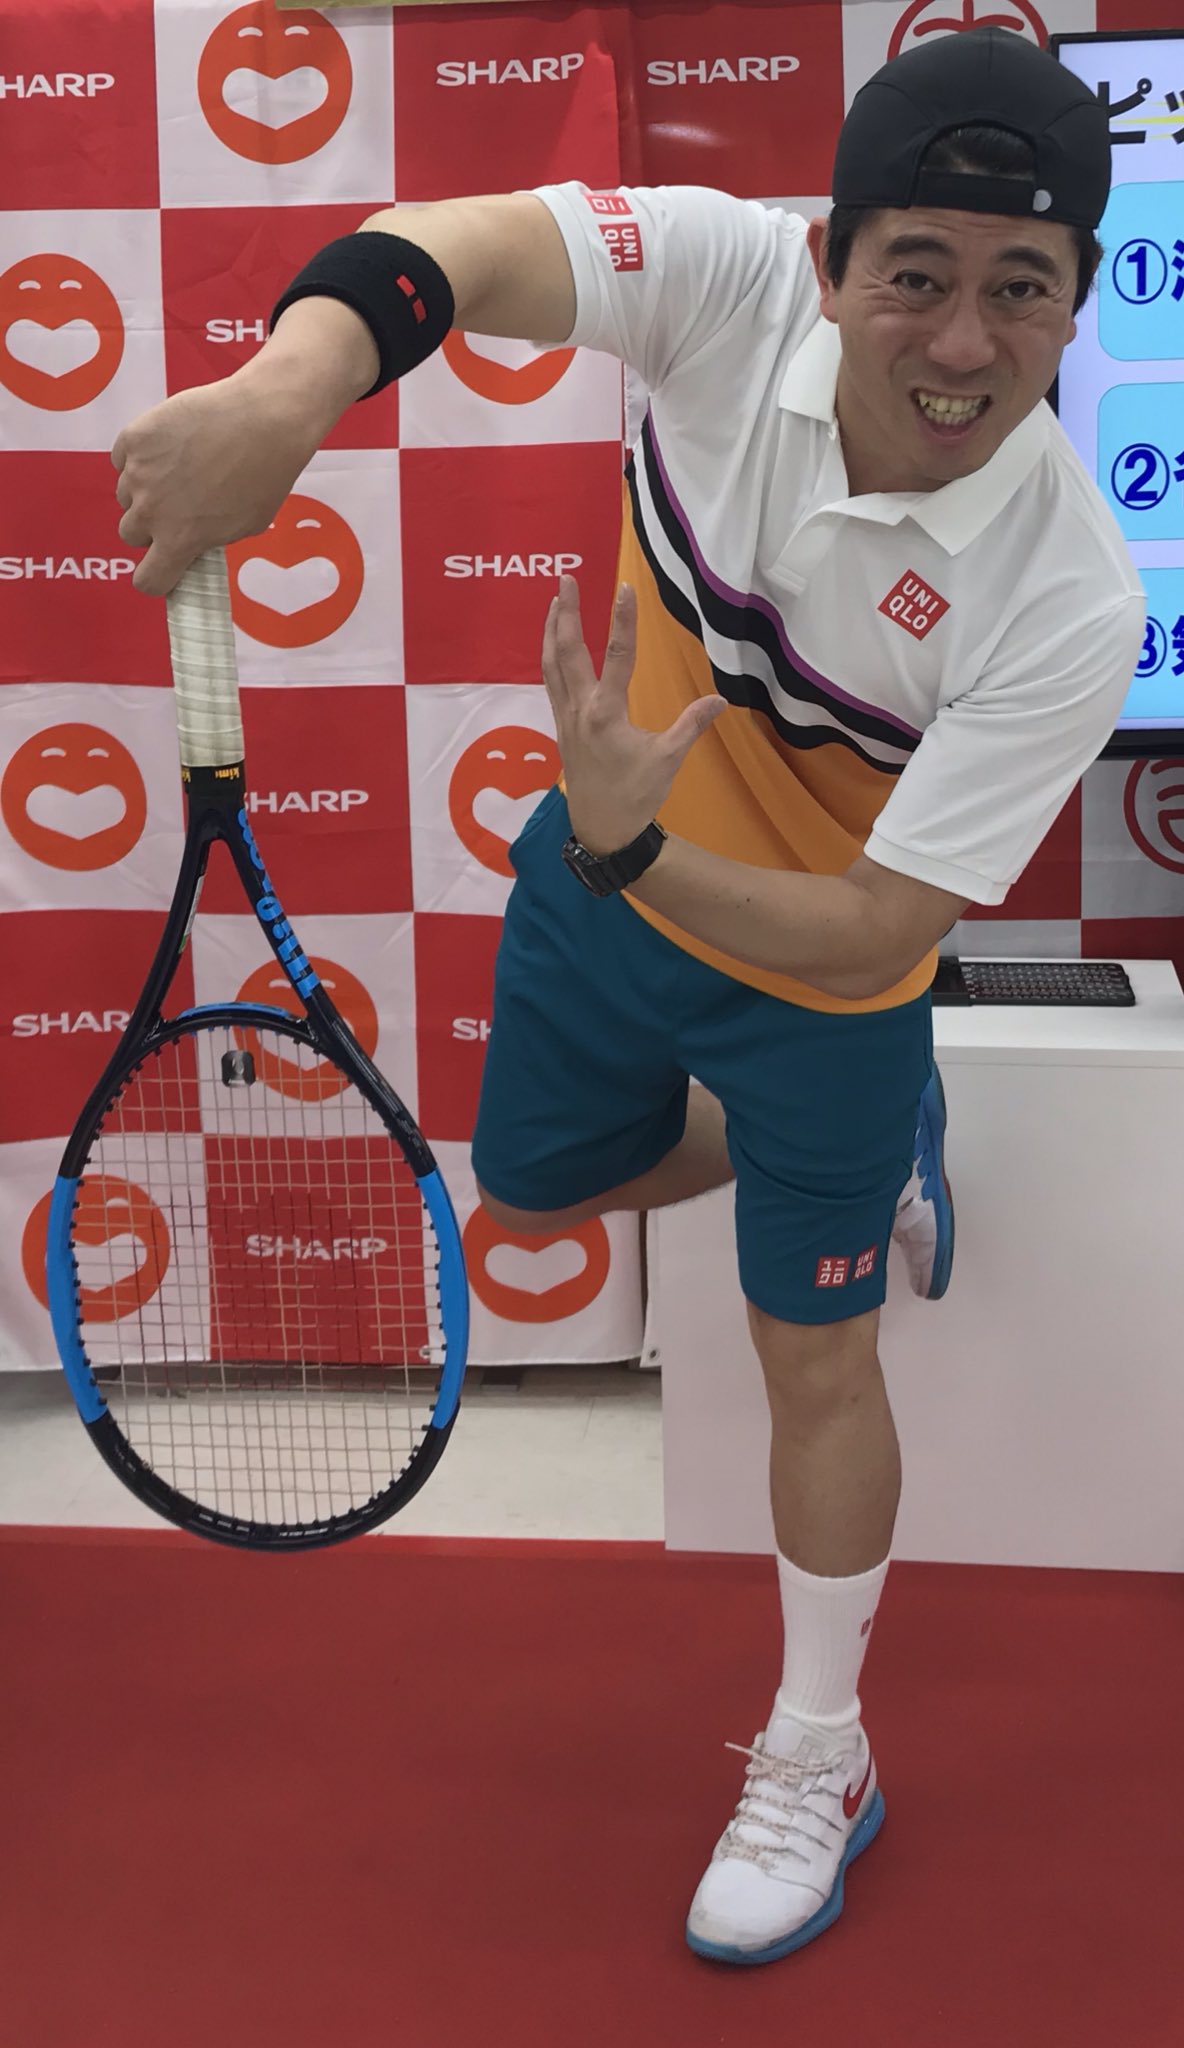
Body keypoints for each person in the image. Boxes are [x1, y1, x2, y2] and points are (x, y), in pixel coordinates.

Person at [112, 28, 1143, 1967]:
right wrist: (281, 392)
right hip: (604, 882)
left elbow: (872, 926)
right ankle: (829, 1152)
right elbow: (455, 250)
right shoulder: (728, 277)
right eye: (916, 271)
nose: (961, 340)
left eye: (1023, 287)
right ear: (826, 258)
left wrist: (630, 845)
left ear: (1078, 303)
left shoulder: (1074, 594)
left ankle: (820, 1748)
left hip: (809, 974)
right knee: (532, 1185)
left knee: (811, 1353)